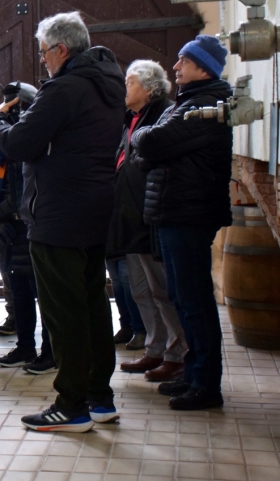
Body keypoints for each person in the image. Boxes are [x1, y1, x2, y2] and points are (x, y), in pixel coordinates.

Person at [0, 11, 124, 432]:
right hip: (93, 209)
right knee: (94, 305)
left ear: (62, 50)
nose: (43, 60)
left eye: (44, 52)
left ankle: (71, 405)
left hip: (58, 215)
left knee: (64, 312)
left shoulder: (64, 88)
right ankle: (100, 398)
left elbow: (20, 142)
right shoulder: (108, 85)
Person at [131, 36, 232, 410]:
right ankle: (192, 373)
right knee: (182, 297)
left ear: (203, 68)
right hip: (175, 211)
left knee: (194, 301)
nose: (176, 67)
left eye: (183, 61)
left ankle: (206, 384)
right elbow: (145, 152)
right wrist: (149, 144)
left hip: (189, 213)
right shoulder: (188, 104)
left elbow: (150, 144)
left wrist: (147, 142)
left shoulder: (206, 104)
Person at [110, 60, 187, 383]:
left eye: (129, 82)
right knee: (141, 290)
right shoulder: (131, 118)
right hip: (129, 215)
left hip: (151, 216)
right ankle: (155, 348)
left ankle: (177, 353)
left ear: (150, 88)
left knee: (163, 290)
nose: (124, 88)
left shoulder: (164, 114)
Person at [0, 83, 56, 375]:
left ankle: (51, 353)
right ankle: (25, 347)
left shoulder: (28, 135)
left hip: (30, 224)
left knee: (42, 293)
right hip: (10, 230)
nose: (6, 109)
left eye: (12, 105)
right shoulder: (4, 141)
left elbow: (26, 186)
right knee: (21, 292)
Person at [107, 255, 146, 349]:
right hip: (110, 248)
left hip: (127, 246)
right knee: (117, 284)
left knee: (127, 282)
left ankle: (140, 330)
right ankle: (126, 327)